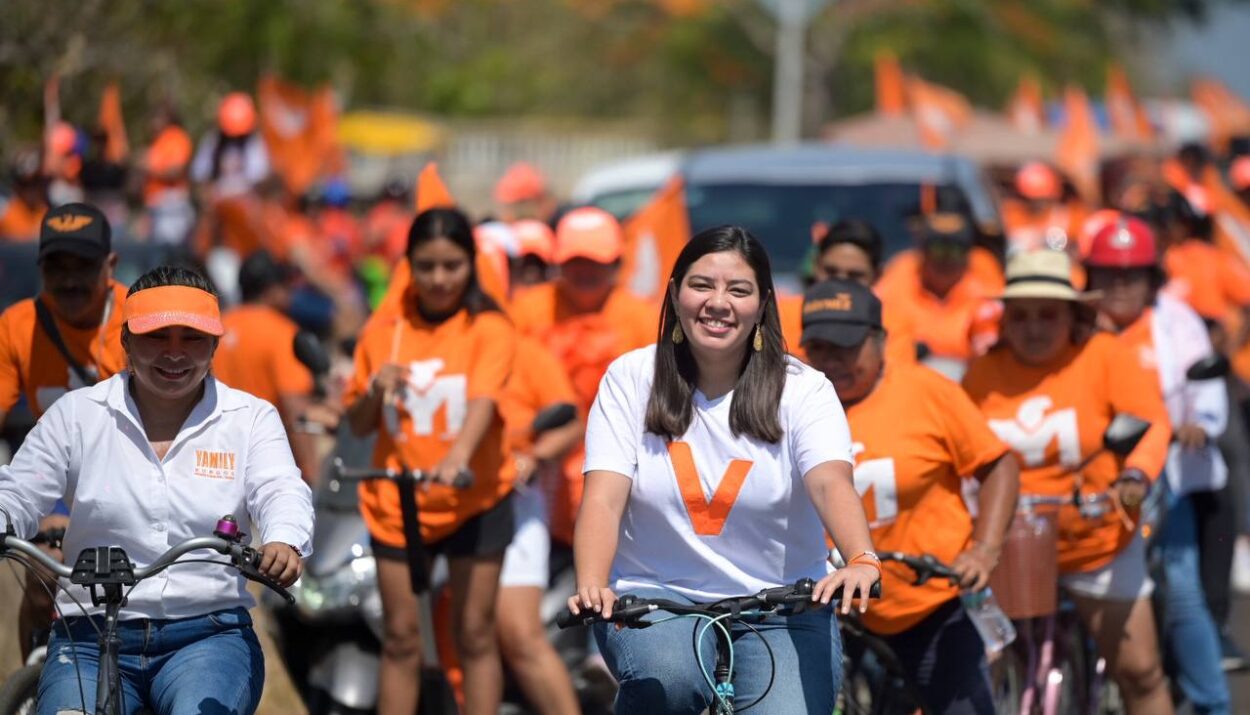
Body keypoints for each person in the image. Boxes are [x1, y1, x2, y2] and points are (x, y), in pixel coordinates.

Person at [567, 225, 880, 713]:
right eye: (701, 285)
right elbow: (604, 497)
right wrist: (591, 583)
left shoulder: (806, 390)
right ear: (674, 294)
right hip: (658, 601)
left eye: (738, 289)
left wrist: (861, 557)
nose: (718, 302)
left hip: (783, 607)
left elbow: (829, 481)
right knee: (668, 681)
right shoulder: (630, 379)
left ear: (763, 304)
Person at [0, 264, 313, 715]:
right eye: (155, 337)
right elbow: (20, 488)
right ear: (125, 341)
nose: (174, 354)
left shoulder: (251, 418)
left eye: (192, 338)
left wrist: (284, 538)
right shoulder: (77, 414)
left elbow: (281, 487)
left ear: (214, 347)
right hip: (88, 634)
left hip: (207, 636)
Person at [962, 249, 1174, 715]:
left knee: (1140, 672)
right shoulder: (982, 373)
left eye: (1047, 315)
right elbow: (957, 450)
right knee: (981, 674)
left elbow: (1153, 423)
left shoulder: (1104, 356)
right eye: (1020, 316)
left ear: (1073, 314)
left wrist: (1135, 477)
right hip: (1008, 547)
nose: (1033, 328)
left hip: (1095, 540)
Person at [801, 278, 1019, 715]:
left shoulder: (927, 392)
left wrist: (984, 549)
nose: (832, 361)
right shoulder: (791, 401)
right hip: (826, 609)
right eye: (820, 347)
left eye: (846, 346)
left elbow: (998, 464)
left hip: (927, 601)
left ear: (881, 341)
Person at [344, 207, 518, 715]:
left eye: (452, 265)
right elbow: (357, 423)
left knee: (474, 633)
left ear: (472, 265)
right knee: (400, 637)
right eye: (426, 266)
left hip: (476, 497)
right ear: (409, 267)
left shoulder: (488, 327)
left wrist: (456, 457)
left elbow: (484, 401)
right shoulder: (385, 332)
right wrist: (376, 389)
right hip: (398, 504)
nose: (439, 279)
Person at [1084, 217, 1232, 714]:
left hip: (1163, 477)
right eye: (1107, 273)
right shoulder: (1076, 323)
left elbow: (1203, 383)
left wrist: (1200, 423)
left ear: (1151, 278)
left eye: (1131, 274)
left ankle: (1212, 703)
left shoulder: (1175, 319)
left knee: (1182, 588)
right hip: (1089, 480)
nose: (1119, 285)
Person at [0, 202, 129, 660]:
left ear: (110, 265)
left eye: (84, 266)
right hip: (56, 480)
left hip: (131, 476)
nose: (70, 280)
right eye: (57, 266)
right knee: (41, 579)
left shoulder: (137, 323)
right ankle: (29, 691)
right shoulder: (17, 326)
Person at [509, 206, 654, 548]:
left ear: (617, 263)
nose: (585, 271)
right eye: (575, 261)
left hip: (621, 465)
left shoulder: (642, 318)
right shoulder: (527, 311)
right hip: (539, 468)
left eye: (597, 261)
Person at [212, 249, 319, 482]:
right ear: (271, 290)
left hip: (215, 460)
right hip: (263, 461)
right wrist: (311, 471)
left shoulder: (216, 328)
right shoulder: (283, 333)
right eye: (285, 286)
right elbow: (295, 408)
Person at [874, 212, 1001, 379]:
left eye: (956, 250)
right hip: (910, 378)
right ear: (922, 253)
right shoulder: (897, 278)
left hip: (973, 380)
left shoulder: (986, 281)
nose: (946, 260)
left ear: (969, 255)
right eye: (937, 249)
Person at [0, 150, 49, 242]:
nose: (31, 191)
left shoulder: (49, 217)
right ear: (16, 186)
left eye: (35, 183)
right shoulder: (4, 217)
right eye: (25, 185)